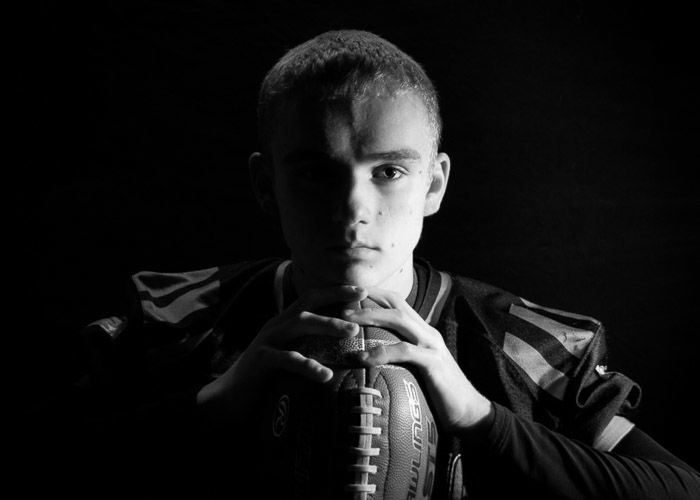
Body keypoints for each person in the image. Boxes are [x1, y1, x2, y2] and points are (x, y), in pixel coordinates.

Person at [66, 30, 698, 499]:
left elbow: (678, 488)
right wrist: (214, 405)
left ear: (434, 184)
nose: (353, 209)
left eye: (389, 172)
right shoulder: (176, 320)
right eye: (316, 173)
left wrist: (482, 420)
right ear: (266, 185)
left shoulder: (524, 347)